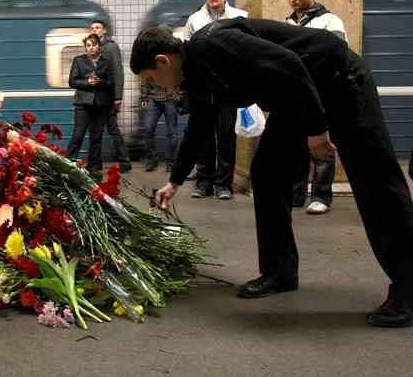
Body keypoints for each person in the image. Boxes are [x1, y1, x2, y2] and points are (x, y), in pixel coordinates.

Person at [130, 19, 413, 328]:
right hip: (294, 99)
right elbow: (198, 130)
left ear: (163, 61)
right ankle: (280, 271)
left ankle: (408, 289)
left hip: (338, 81)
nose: (155, 87)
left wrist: (316, 130)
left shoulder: (212, 44)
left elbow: (289, 63)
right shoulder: (196, 79)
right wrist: (175, 181)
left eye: (151, 78)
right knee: (267, 173)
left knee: (376, 182)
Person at [285, 0, 348, 215]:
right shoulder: (288, 23)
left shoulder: (330, 22)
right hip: (297, 95)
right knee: (297, 147)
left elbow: (336, 57)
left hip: (323, 93)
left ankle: (321, 195)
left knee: (321, 146)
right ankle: (296, 193)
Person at [183, 0, 248, 200]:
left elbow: (247, 52)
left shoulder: (240, 17)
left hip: (228, 88)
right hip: (203, 88)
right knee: (204, 137)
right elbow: (187, 54)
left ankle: (223, 184)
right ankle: (204, 182)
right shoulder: (194, 20)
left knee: (226, 137)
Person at [66, 33, 115, 175]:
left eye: (94, 45)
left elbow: (111, 83)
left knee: (96, 137)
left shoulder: (106, 62)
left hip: (100, 105)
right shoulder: (78, 61)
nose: (91, 48)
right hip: (83, 104)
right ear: (85, 47)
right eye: (88, 45)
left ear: (99, 46)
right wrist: (87, 82)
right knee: (78, 135)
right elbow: (72, 81)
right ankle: (69, 163)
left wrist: (100, 82)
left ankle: (93, 167)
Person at [90, 20, 132, 173]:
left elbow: (118, 71)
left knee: (112, 129)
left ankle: (125, 163)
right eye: (92, 28)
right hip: (96, 97)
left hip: (108, 96)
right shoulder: (92, 46)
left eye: (97, 27)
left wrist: (118, 96)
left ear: (104, 30)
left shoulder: (111, 47)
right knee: (97, 131)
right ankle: (96, 164)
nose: (94, 30)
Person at [140, 81, 179, 172]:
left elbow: (180, 77)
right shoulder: (151, 66)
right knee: (148, 128)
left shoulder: (173, 66)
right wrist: (144, 98)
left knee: (172, 133)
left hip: (170, 99)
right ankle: (152, 159)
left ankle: (170, 162)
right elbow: (145, 78)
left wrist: (179, 96)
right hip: (154, 99)